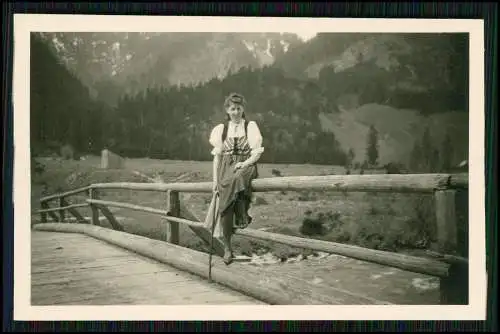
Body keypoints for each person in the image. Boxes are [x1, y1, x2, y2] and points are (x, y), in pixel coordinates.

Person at [209, 92, 265, 265]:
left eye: (238, 108)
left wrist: (245, 163)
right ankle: (227, 247)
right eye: (232, 108)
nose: (235, 112)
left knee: (237, 179)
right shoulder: (221, 129)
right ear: (227, 109)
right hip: (226, 167)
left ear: (243, 109)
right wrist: (214, 180)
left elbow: (256, 153)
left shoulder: (250, 126)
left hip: (246, 165)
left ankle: (241, 215)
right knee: (224, 203)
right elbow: (217, 157)